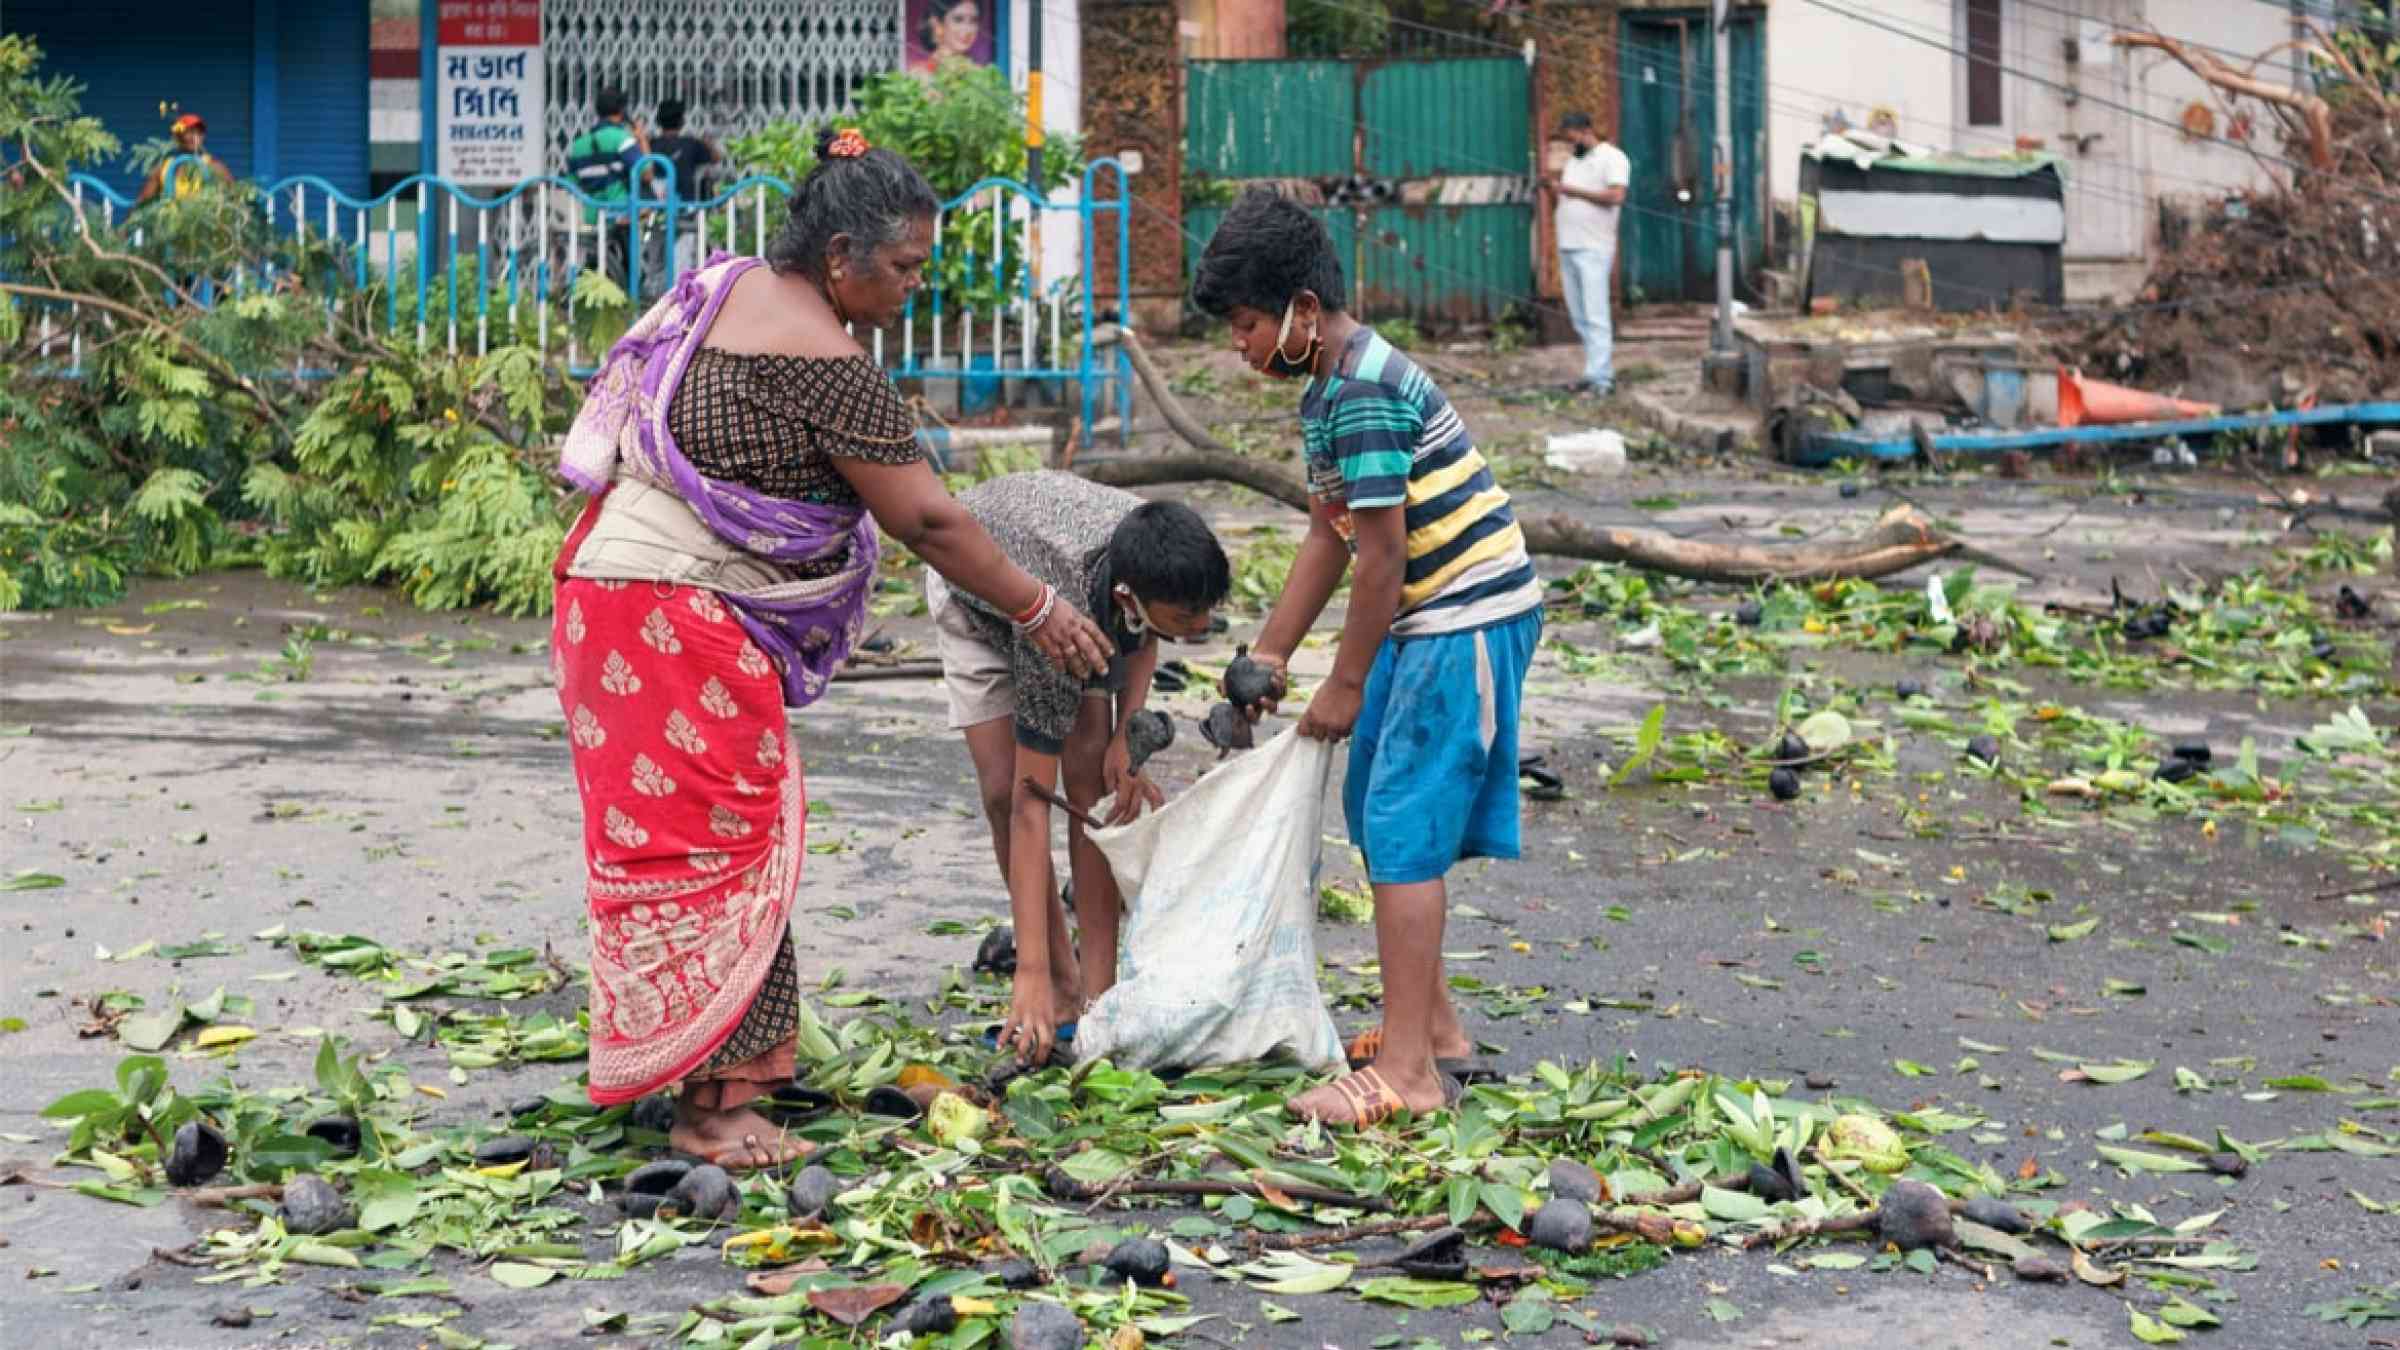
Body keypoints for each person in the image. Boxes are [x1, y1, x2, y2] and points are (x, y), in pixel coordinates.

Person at [550, 125, 1114, 1169]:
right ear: (842, 256)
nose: (911, 288)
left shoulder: (720, 292)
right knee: (727, 851)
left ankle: (711, 1069)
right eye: (901, 267)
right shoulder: (827, 363)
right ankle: (714, 1110)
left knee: (671, 852)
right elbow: (932, 522)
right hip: (677, 618)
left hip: (605, 603)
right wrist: (1041, 608)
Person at [1191, 189, 1544, 1126]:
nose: (1240, 344)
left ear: (1304, 309)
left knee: (1400, 825)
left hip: (1463, 615)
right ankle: (1434, 1031)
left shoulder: (1366, 392)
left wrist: (1344, 685)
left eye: (1248, 323)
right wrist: (1269, 655)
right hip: (1423, 616)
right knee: (1370, 805)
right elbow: (1330, 532)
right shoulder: (1328, 388)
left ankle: (1409, 1076)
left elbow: (1382, 554)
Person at [928, 474, 1230, 1067]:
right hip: (982, 591)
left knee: (1093, 783)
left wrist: (1125, 734)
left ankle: (1099, 995)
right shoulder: (1062, 634)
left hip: (1073, 584)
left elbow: (1143, 636)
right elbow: (1031, 799)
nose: (1200, 625)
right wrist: (1029, 974)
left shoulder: (1155, 540)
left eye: (1206, 610)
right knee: (1003, 791)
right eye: (1188, 613)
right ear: (1127, 595)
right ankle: (1053, 982)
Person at [1541, 112, 1631, 398]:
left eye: (1571, 139)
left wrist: (1572, 191)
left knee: (1596, 315)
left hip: (1594, 247)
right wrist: (1556, 191)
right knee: (1579, 317)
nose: (1570, 145)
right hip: (1569, 245)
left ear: (1585, 131)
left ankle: (1601, 380)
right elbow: (1568, 199)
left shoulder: (1612, 158)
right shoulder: (1574, 163)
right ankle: (1594, 372)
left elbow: (1616, 196)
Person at [566, 88, 649, 226]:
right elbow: (647, 174)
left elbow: (570, 184)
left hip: (590, 216)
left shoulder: (578, 145)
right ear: (622, 111)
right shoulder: (623, 139)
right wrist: (642, 139)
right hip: (620, 215)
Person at [134, 113, 235, 207]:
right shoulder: (163, 168)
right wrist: (126, 225)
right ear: (177, 137)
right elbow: (142, 202)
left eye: (198, 133)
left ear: (203, 137)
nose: (193, 137)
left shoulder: (214, 166)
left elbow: (235, 198)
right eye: (188, 132)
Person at [648, 99, 719, 200]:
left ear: (658, 121)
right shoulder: (691, 144)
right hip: (685, 203)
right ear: (682, 122)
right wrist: (708, 144)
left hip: (657, 203)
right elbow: (716, 158)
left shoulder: (651, 145)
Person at [911, 0, 983, 73]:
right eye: (958, 20)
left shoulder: (978, 73)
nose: (968, 29)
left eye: (974, 20)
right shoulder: (921, 74)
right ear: (937, 24)